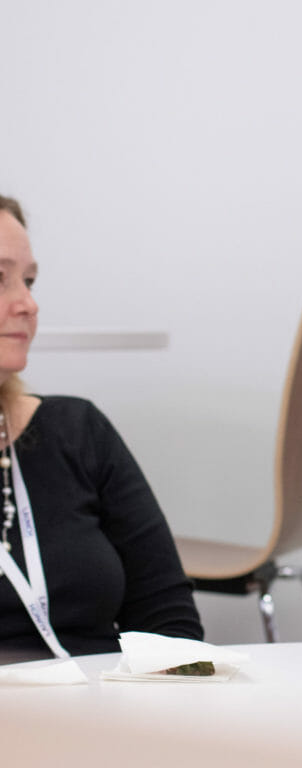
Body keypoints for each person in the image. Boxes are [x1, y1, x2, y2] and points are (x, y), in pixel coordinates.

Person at [0, 195, 203, 662]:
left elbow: (170, 629)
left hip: (99, 717)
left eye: (29, 281)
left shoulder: (77, 431)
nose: (29, 303)